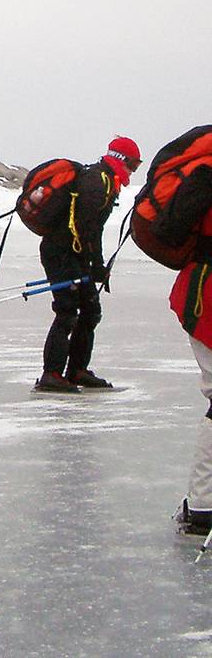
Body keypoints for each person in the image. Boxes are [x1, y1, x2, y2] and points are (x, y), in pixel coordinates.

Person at [35, 136, 142, 392]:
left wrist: (96, 265)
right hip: (61, 253)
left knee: (90, 311)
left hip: (74, 254)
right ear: (120, 160)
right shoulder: (97, 182)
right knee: (67, 310)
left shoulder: (105, 180)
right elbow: (86, 229)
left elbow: (93, 230)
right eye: (133, 165)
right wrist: (94, 264)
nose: (132, 171)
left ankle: (77, 370)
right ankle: (51, 374)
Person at [167, 158, 212, 534]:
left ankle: (202, 504)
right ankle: (203, 505)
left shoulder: (204, 173)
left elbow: (170, 230)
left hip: (200, 294)